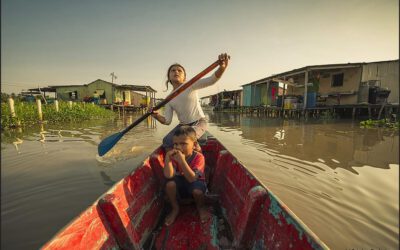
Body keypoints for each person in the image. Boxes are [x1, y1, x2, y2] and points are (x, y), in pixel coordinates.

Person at [151, 53, 230, 150]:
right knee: (166, 141)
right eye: (173, 70)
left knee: (186, 138)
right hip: (183, 125)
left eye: (179, 70)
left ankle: (196, 156)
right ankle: (174, 160)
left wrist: (222, 68)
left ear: (184, 77)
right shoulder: (168, 98)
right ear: (169, 77)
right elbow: (167, 121)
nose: (176, 72)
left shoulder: (190, 85)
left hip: (199, 122)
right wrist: (156, 116)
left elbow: (211, 80)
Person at [163, 126, 208, 226]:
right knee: (169, 184)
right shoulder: (174, 156)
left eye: (183, 144)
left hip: (195, 182)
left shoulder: (199, 157)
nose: (178, 147)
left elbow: (192, 179)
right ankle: (175, 208)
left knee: (197, 192)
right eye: (176, 144)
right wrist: (167, 158)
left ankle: (201, 207)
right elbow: (168, 175)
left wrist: (182, 161)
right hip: (181, 183)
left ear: (194, 144)